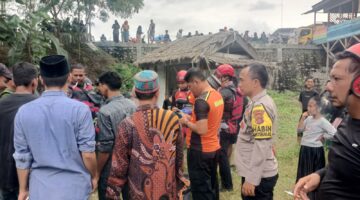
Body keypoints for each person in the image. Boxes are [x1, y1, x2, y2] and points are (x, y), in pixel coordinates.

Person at [13, 55, 98, 200]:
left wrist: (22, 189)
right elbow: (88, 153)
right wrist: (95, 175)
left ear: (41, 79)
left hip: (41, 188)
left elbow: (22, 156)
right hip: (75, 188)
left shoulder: (24, 111)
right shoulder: (80, 110)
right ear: (69, 78)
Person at [106, 70, 187, 199]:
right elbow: (179, 159)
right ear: (157, 92)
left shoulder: (127, 124)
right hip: (168, 192)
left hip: (139, 193)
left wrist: (112, 195)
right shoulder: (173, 119)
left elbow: (118, 169)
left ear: (135, 93)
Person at [294, 43, 360, 200]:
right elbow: (344, 167)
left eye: (336, 79)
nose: (329, 87)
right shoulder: (347, 119)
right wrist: (320, 175)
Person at [235, 63, 278, 200]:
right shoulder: (255, 102)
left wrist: (252, 179)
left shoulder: (260, 106)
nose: (239, 83)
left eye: (242, 79)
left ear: (255, 83)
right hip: (255, 171)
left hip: (258, 176)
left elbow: (261, 145)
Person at [180, 68, 224, 200]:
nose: (190, 90)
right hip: (213, 148)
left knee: (201, 190)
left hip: (200, 151)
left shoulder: (201, 101)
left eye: (190, 86)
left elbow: (201, 129)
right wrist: (190, 119)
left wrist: (185, 122)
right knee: (211, 184)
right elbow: (209, 121)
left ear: (196, 81)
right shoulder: (216, 95)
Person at [0, 62, 38, 200]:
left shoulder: (1, 104)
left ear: (14, 82)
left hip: (5, 174)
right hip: (33, 176)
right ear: (35, 82)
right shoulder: (41, 105)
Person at [96, 71, 136, 200]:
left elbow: (106, 147)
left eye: (99, 85)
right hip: (132, 163)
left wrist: (97, 172)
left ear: (104, 86)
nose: (98, 88)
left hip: (111, 167)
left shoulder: (105, 112)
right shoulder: (132, 105)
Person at [295, 96, 336, 200]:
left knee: (312, 173)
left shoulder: (322, 121)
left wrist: (324, 136)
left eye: (310, 106)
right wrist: (303, 117)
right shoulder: (308, 119)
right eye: (308, 106)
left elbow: (335, 133)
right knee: (303, 172)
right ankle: (300, 192)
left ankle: (312, 195)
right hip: (305, 149)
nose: (308, 108)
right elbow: (299, 130)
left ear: (318, 108)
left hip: (315, 151)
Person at [214, 64, 244, 191]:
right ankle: (226, 183)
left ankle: (227, 185)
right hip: (234, 127)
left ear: (225, 77)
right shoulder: (236, 90)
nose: (217, 78)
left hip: (225, 128)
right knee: (224, 155)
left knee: (222, 157)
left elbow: (213, 105)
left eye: (218, 76)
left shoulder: (225, 92)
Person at [298, 78, 318, 142]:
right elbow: (300, 102)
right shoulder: (302, 93)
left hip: (312, 114)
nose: (309, 83)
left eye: (311, 82)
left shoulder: (315, 93)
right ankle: (299, 143)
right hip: (303, 113)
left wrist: (311, 112)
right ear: (305, 83)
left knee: (311, 129)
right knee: (300, 128)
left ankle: (310, 142)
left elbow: (317, 104)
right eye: (308, 81)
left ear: (313, 84)